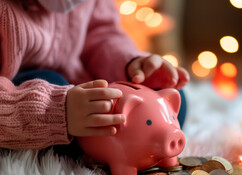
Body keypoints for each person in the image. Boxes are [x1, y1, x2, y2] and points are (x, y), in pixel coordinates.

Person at [0, 0, 189, 150]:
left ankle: (139, 140)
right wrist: (56, 111)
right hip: (22, 99)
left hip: (79, 83)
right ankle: (113, 145)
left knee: (170, 94)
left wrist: (132, 64)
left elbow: (102, 34)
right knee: (50, 79)